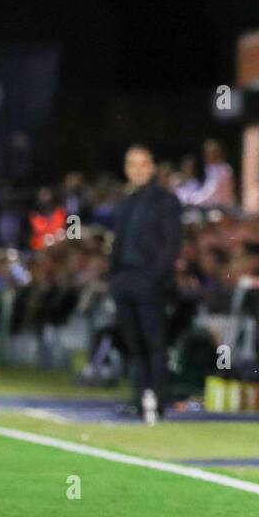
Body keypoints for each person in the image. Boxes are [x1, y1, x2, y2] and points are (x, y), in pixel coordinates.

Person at [109, 145, 182, 426]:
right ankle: (139, 398)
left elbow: (171, 243)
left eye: (143, 164)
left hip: (148, 279)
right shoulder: (125, 202)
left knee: (154, 340)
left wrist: (154, 276)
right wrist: (114, 277)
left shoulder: (165, 201)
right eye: (132, 165)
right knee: (133, 343)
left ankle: (158, 399)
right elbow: (118, 242)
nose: (138, 170)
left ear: (151, 168)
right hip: (124, 279)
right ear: (127, 169)